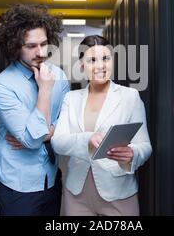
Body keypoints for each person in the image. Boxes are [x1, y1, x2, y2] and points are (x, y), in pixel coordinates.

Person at [51, 35, 152, 216]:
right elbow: (58, 142)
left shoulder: (130, 97)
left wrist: (133, 154)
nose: (100, 66)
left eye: (106, 58)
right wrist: (87, 139)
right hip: (77, 193)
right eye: (92, 60)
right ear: (82, 65)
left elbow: (145, 146)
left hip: (118, 192)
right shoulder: (71, 99)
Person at [0, 4, 69, 216]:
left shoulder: (59, 75)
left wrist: (47, 133)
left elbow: (69, 122)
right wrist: (44, 90)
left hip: (51, 177)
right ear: (15, 46)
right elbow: (33, 139)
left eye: (44, 44)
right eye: (31, 46)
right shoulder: (2, 85)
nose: (41, 52)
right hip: (18, 185)